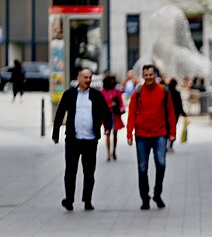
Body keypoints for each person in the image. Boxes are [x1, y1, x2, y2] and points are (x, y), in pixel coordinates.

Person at [52, 69, 113, 211]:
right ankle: (69, 199)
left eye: (90, 77)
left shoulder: (96, 95)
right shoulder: (70, 95)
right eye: (85, 77)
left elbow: (106, 113)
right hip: (73, 139)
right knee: (70, 171)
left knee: (89, 172)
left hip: (90, 140)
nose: (88, 80)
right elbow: (60, 113)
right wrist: (56, 134)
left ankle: (87, 200)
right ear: (78, 78)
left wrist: (108, 127)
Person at [127, 64, 176, 210]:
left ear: (155, 75)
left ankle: (157, 193)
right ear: (142, 76)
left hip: (159, 134)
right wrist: (129, 133)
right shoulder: (138, 91)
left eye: (151, 75)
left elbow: (171, 112)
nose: (148, 77)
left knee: (161, 163)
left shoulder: (163, 91)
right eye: (146, 75)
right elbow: (131, 113)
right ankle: (145, 198)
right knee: (142, 167)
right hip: (141, 135)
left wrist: (172, 132)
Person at [101, 76, 125, 161]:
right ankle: (108, 153)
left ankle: (114, 151)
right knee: (107, 133)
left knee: (115, 133)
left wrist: (122, 108)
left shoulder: (117, 91)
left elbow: (121, 102)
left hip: (115, 115)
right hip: (106, 115)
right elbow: (101, 104)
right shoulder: (102, 92)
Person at [167, 78, 187, 152]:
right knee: (173, 129)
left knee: (166, 129)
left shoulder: (166, 92)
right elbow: (179, 105)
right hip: (175, 114)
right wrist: (183, 113)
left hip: (167, 114)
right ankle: (170, 145)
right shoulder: (176, 93)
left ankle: (165, 145)